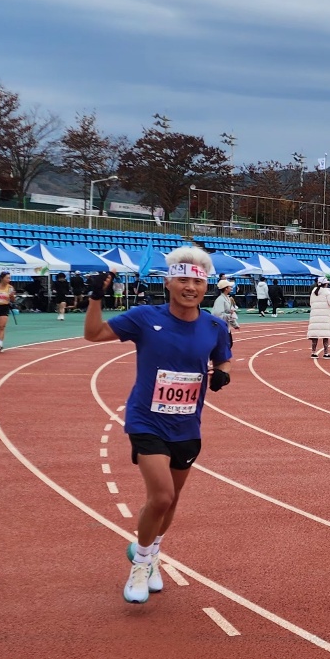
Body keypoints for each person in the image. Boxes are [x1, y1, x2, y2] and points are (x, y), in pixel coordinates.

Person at [84, 248, 232, 604]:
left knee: (171, 501)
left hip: (187, 426)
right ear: (168, 282)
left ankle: (148, 554)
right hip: (146, 420)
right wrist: (95, 297)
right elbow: (93, 334)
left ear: (205, 286)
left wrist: (221, 377)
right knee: (161, 496)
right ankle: (140, 564)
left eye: (197, 281)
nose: (190, 287)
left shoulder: (215, 326)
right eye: (183, 279)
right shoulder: (143, 317)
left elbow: (223, 360)